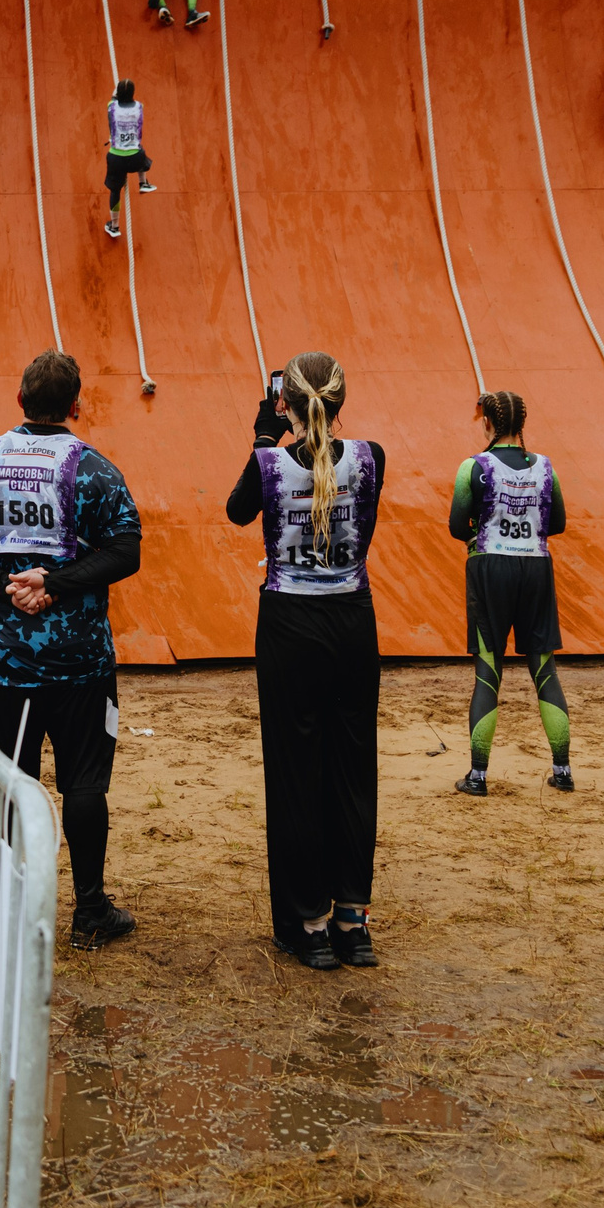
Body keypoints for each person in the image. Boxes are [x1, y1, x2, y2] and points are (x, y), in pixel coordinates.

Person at [0, 350, 145, 950]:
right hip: (81, 662)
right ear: (77, 405)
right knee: (84, 784)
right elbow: (126, 552)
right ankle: (90, 911)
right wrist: (54, 582)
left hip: (4, 662)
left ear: (20, 400)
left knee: (7, 781)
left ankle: (0, 905)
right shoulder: (96, 469)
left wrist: (5, 584)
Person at [225, 352, 387, 970]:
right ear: (342, 402)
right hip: (352, 619)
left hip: (291, 623)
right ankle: (353, 921)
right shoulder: (371, 458)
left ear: (284, 402)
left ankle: (308, 924)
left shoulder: (268, 463)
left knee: (296, 772)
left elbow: (239, 510)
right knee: (353, 769)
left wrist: (266, 435)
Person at [449, 391, 573, 795]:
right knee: (544, 670)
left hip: (489, 568)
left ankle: (479, 775)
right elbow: (556, 523)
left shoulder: (474, 466)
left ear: (488, 423)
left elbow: (455, 525)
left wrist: (484, 532)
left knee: (488, 671)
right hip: (535, 567)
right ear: (522, 425)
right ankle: (563, 770)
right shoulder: (545, 467)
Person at [101, 79, 151, 241]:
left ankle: (114, 226)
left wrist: (116, 92)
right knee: (141, 152)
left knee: (115, 191)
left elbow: (113, 98)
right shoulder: (139, 107)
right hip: (135, 158)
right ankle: (143, 182)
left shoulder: (111, 107)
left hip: (116, 158)